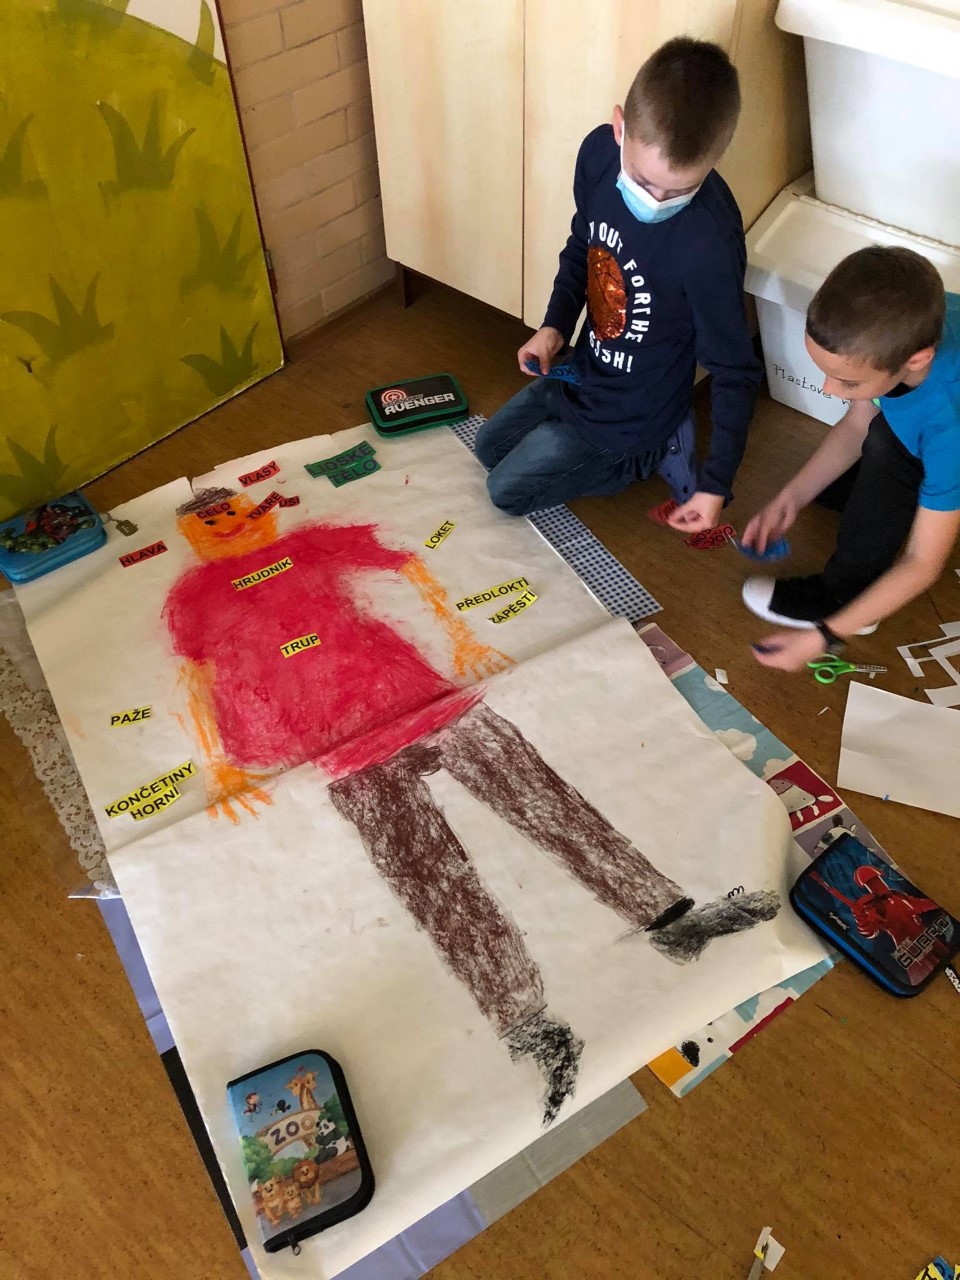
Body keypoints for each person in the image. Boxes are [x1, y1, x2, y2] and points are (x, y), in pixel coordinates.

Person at [164, 487, 778, 1125]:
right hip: (342, 751)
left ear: (259, 511)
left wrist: (459, 638)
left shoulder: (308, 545)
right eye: (209, 520)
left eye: (233, 509)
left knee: (548, 805)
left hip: (423, 698)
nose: (227, 523)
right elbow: (195, 676)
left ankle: (671, 920)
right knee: (434, 885)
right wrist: (216, 762)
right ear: (192, 536)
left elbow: (405, 561)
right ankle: (526, 1025)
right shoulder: (193, 597)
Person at [475, 37, 761, 533]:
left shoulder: (709, 244)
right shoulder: (597, 155)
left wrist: (715, 484)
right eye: (644, 181)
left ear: (715, 159)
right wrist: (553, 326)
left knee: (505, 492)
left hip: (636, 416)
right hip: (585, 370)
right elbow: (581, 247)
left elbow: (735, 371)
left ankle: (650, 452)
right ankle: (582, 429)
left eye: (679, 190)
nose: (655, 201)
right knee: (487, 449)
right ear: (619, 127)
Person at [742, 247, 960, 671]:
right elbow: (858, 421)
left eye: (847, 381)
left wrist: (824, 636)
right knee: (873, 444)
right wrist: (790, 498)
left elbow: (922, 563)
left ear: (917, 359)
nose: (828, 389)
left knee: (888, 448)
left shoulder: (947, 425)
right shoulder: (912, 325)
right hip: (930, 415)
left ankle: (846, 593)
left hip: (946, 432)